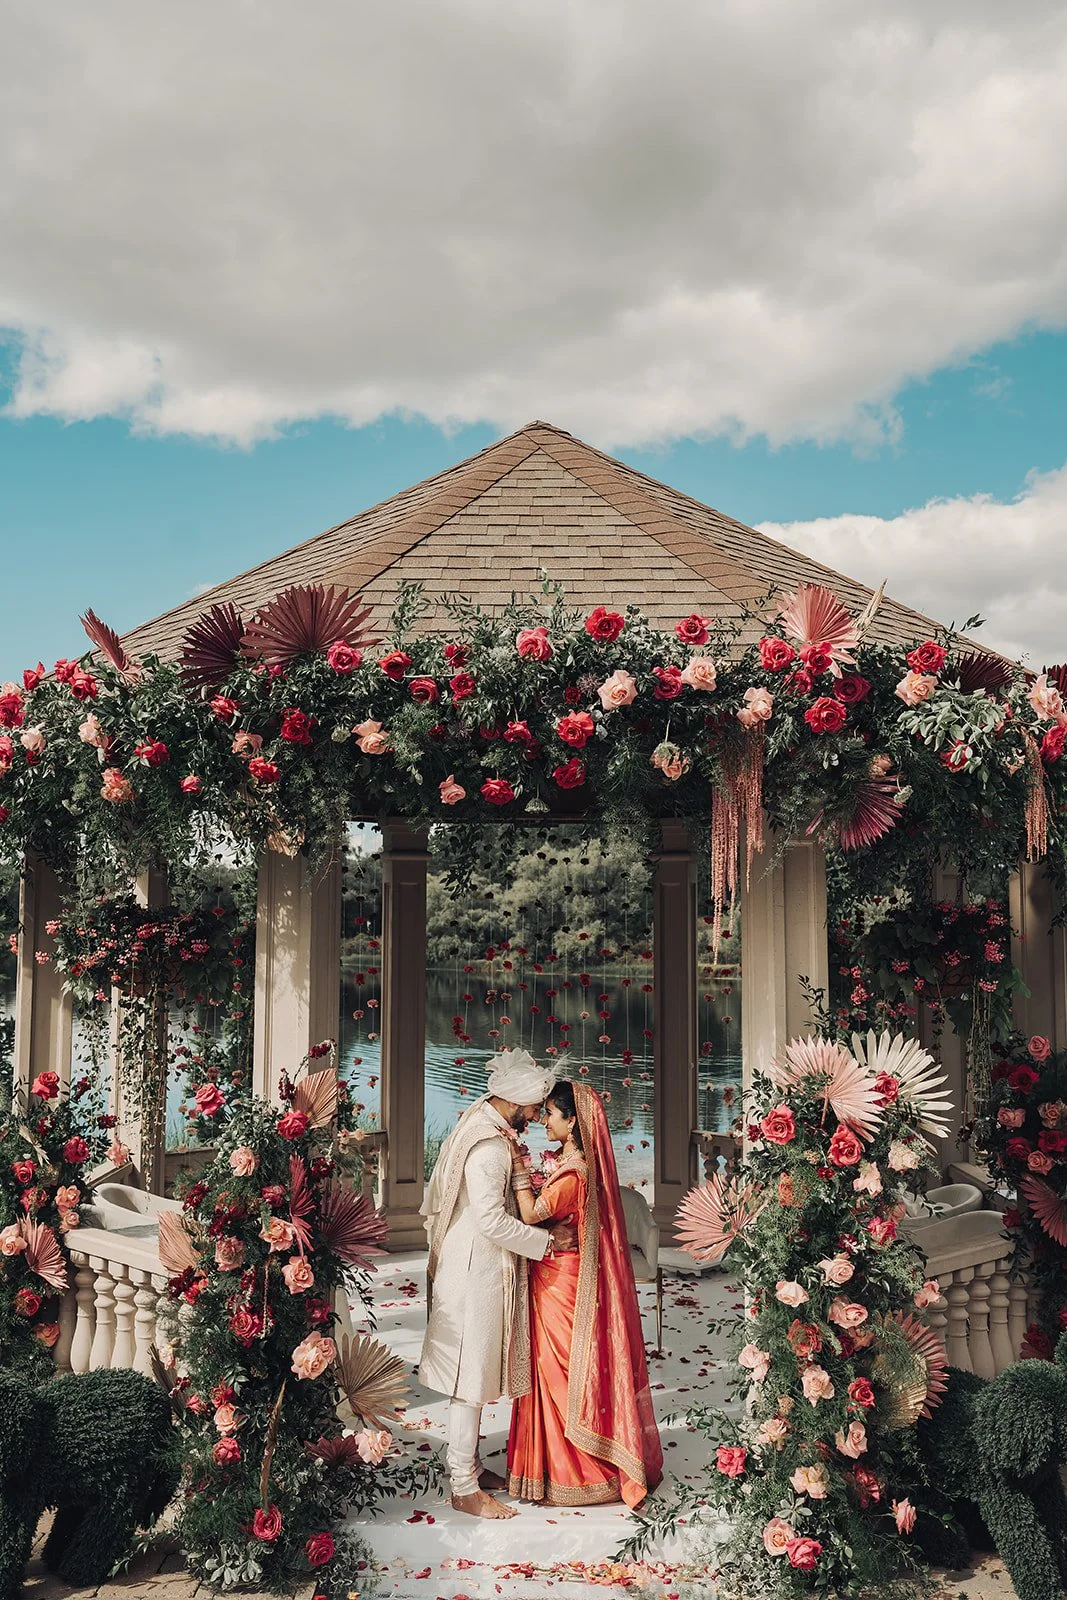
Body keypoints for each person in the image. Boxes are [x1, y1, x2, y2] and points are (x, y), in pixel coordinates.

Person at [419, 1049, 577, 1519]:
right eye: (534, 1107)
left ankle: (469, 1464)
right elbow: (489, 1219)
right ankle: (463, 1486)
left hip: (481, 1269)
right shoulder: (489, 1147)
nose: (535, 1115)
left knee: (479, 1372)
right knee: (470, 1379)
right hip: (476, 1272)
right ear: (517, 1101)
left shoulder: (487, 1129)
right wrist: (545, 1243)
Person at [506, 1079, 664, 1507]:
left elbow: (530, 1213)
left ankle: (580, 1470)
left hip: (561, 1282)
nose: (544, 1122)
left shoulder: (575, 1172)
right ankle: (553, 1466)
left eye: (551, 1116)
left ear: (573, 1121)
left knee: (558, 1371)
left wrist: (518, 1167)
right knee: (555, 1369)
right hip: (558, 1273)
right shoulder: (572, 1165)